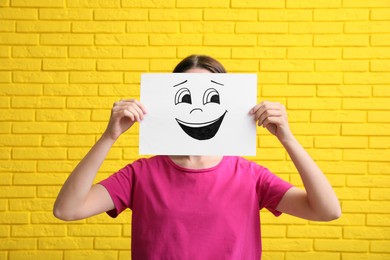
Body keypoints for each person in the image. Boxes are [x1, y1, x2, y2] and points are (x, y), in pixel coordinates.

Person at [54, 55, 341, 259]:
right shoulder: (140, 174)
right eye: (186, 98)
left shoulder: (251, 176)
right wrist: (109, 136)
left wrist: (287, 138)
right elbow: (67, 210)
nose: (197, 110)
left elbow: (326, 210)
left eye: (212, 97)